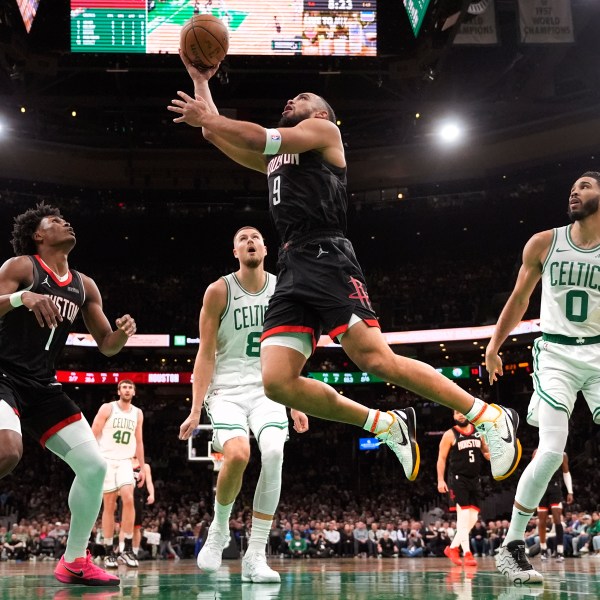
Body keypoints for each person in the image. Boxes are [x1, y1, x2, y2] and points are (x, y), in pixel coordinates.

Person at [168, 52, 521, 487]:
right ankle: (383, 424)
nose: (290, 101)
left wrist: (216, 119)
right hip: (293, 262)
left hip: (327, 254)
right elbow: (215, 132)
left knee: (375, 359)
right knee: (277, 382)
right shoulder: (280, 160)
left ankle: (486, 414)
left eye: (301, 96)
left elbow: (256, 136)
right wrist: (200, 79)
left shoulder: (321, 131)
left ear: (320, 113)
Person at [0, 203, 136, 586]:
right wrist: (19, 298)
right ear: (38, 236)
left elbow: (107, 345)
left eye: (65, 219)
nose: (66, 222)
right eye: (55, 221)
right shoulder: (21, 268)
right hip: (3, 375)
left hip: (43, 386)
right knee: (9, 451)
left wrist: (122, 335)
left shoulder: (84, 285)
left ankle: (74, 560)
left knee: (94, 468)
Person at [486, 171, 600, 584]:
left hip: (599, 350)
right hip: (555, 352)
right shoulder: (545, 242)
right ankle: (513, 544)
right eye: (572, 187)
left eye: (585, 186)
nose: (575, 191)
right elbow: (519, 299)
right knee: (552, 449)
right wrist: (494, 345)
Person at [178, 226, 309, 583]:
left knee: (274, 452)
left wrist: (296, 398)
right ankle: (219, 530)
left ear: (266, 249)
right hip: (226, 390)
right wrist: (194, 409)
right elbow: (205, 354)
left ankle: (256, 554)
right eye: (242, 239)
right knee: (237, 454)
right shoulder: (219, 290)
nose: (250, 241)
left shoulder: (282, 287)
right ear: (235, 252)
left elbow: (293, 342)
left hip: (269, 387)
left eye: (255, 237)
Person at [91, 379, 145, 569]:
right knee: (109, 504)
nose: (127, 390)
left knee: (129, 498)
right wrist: (92, 458)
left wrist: (142, 465)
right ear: (119, 390)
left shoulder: (138, 413)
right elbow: (94, 432)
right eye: (124, 387)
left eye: (130, 387)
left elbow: (139, 441)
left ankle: (128, 549)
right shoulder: (108, 408)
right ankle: (108, 551)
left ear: (134, 392)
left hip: (125, 461)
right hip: (106, 459)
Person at [437, 410, 490, 567]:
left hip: (475, 479)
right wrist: (440, 480)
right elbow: (441, 458)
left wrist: (493, 455)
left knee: (473, 518)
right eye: (456, 413)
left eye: (462, 412)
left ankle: (453, 548)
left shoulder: (479, 432)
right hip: (459, 480)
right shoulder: (449, 434)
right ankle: (467, 553)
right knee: (464, 517)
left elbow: (486, 452)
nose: (460, 415)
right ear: (453, 416)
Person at [533, 449, 572, 561]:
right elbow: (531, 471)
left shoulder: (562, 454)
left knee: (557, 519)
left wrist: (570, 491)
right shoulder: (537, 452)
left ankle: (560, 551)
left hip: (555, 488)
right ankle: (543, 549)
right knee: (542, 520)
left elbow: (566, 472)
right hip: (541, 488)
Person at [131, 456, 155, 559]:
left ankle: (135, 553)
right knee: (123, 527)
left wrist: (152, 494)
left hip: (137, 498)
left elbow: (149, 482)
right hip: (124, 497)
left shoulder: (145, 466)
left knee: (136, 527)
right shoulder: (124, 463)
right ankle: (123, 552)